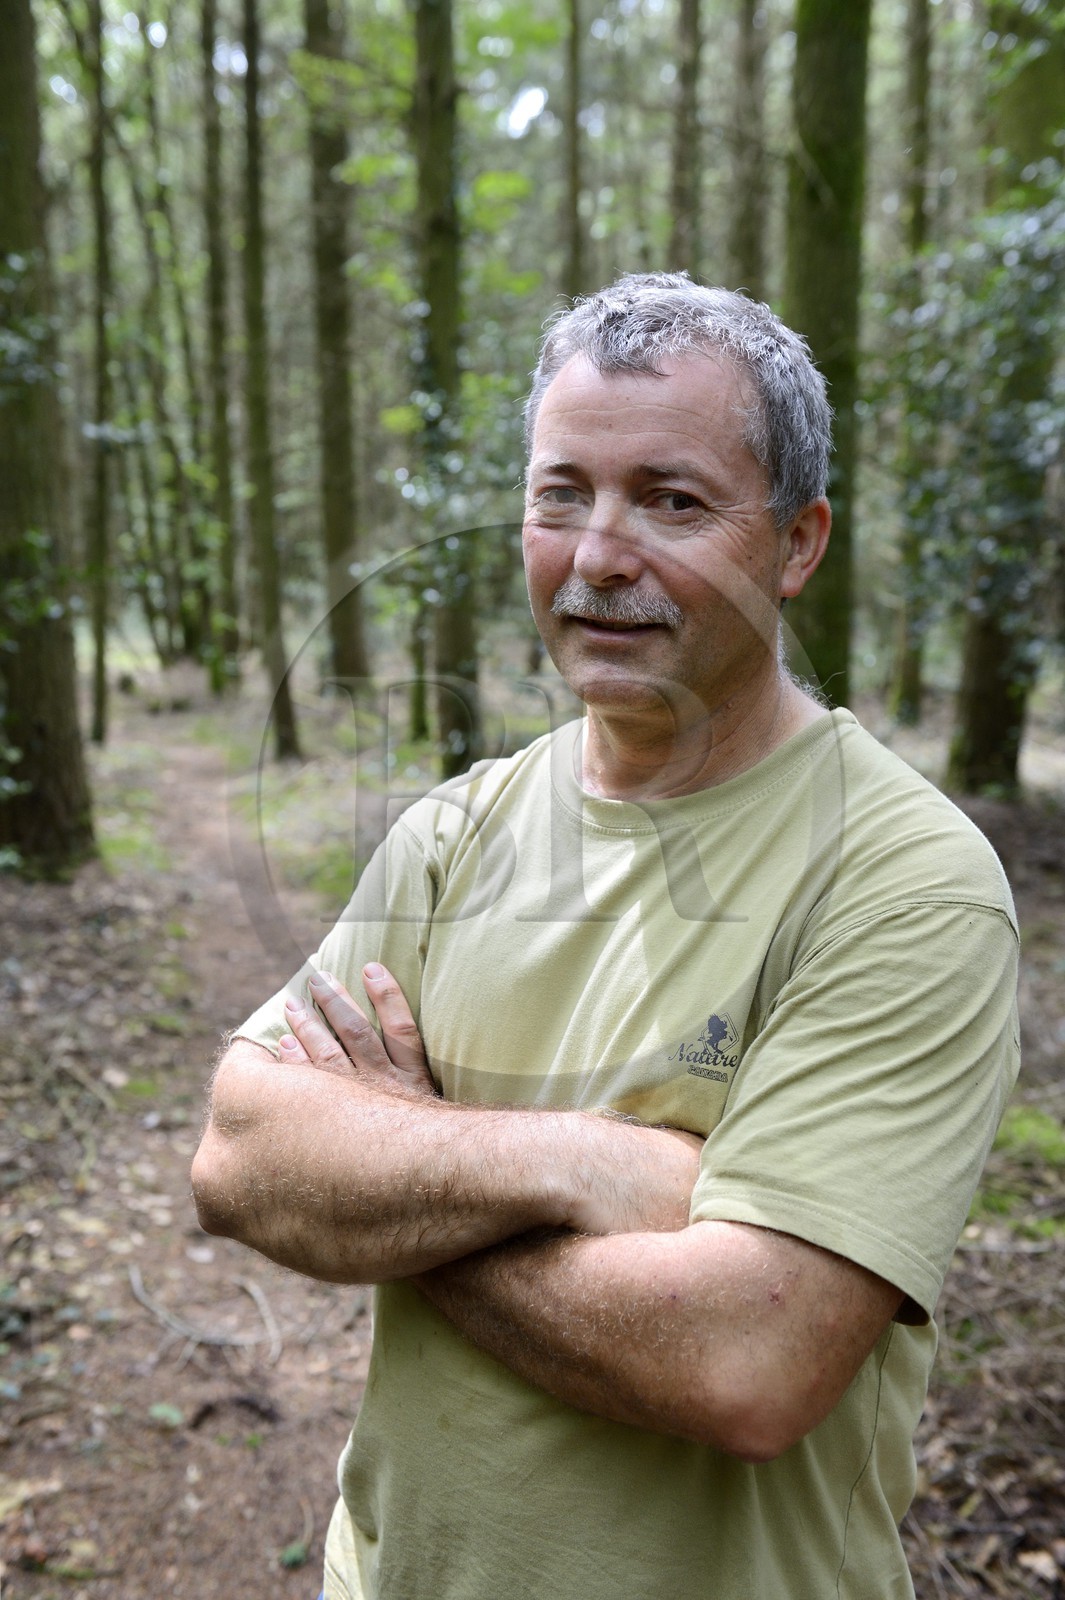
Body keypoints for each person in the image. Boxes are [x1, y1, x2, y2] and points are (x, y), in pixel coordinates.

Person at [192, 273, 1019, 1600]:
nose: (596, 556)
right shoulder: (455, 833)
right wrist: (583, 1164)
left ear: (797, 544)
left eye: (671, 501)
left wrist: (403, 1184)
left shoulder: (903, 882)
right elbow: (239, 1157)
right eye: (559, 493)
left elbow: (744, 1364)